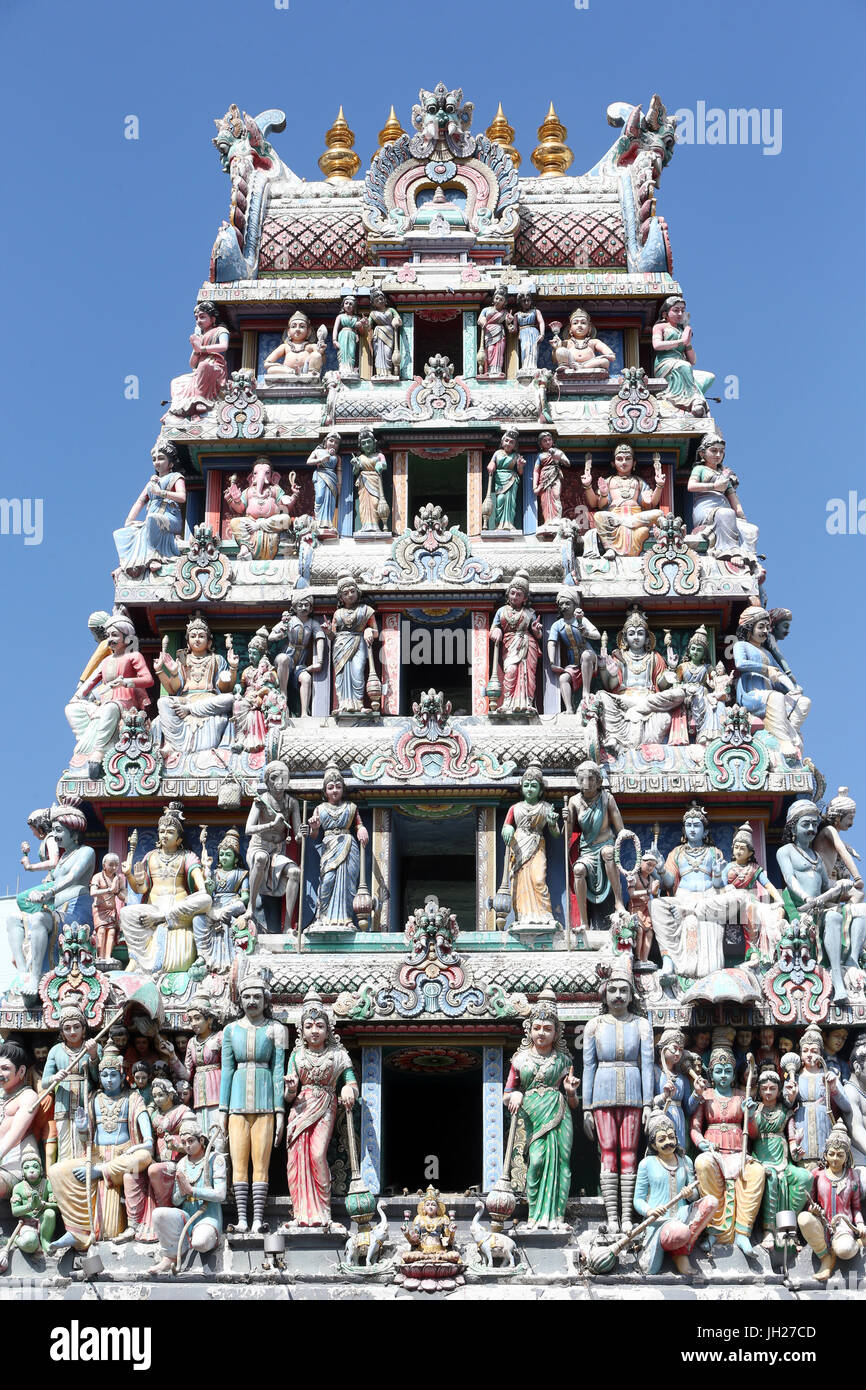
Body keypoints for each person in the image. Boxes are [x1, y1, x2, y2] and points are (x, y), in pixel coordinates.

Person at [48, 1049, 154, 1249]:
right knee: (56, 1171)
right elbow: (86, 1137)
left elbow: (147, 1140)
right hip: (95, 1156)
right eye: (104, 1075)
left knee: (143, 1156)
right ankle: (76, 1231)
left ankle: (101, 1173)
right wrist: (81, 1128)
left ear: (123, 1076)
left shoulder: (133, 1098)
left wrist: (146, 1142)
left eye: (114, 1075)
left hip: (123, 1157)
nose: (109, 1080)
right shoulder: (93, 1098)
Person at [582, 960, 654, 1232]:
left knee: (629, 1154)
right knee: (608, 1153)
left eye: (624, 990)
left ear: (632, 995)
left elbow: (647, 1064)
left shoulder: (641, 1025)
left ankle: (627, 1217)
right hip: (602, 1092)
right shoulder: (594, 1025)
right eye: (613, 990)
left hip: (635, 1094)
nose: (619, 996)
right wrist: (586, 1108)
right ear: (604, 993)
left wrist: (648, 1103)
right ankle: (612, 1216)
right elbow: (588, 1066)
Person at [503, 990, 578, 1229]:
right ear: (529, 1030)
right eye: (537, 1028)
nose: (541, 1033)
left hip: (559, 1113)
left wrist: (570, 1092)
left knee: (561, 1166)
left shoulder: (564, 1061)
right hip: (532, 1116)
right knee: (535, 1163)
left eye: (547, 1028)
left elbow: (574, 1104)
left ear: (556, 1033)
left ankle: (557, 1217)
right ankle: (534, 1216)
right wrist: (515, 1093)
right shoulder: (520, 1060)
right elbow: (506, 1095)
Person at [218, 975, 287, 1233]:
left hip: (266, 1105)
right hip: (236, 1106)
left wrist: (280, 1111)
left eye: (257, 996)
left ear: (265, 1000)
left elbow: (278, 1070)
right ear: (240, 1000)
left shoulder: (276, 1029)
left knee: (261, 1164)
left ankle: (258, 1218)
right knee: (238, 1165)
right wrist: (221, 1111)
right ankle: (241, 1219)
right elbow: (226, 1071)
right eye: (246, 996)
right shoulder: (230, 1031)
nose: (252, 1001)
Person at [284, 991, 358, 1228]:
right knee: (296, 1160)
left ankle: (323, 1211)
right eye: (308, 1026)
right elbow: (288, 1095)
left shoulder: (338, 1054)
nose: (314, 1030)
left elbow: (351, 1081)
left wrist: (348, 1089)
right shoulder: (297, 1055)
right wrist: (291, 1089)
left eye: (319, 1025)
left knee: (316, 1155)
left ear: (328, 1029)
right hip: (301, 1107)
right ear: (302, 1031)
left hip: (325, 1103)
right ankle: (300, 1213)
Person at [691, 1047, 765, 1252]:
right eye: (718, 1071)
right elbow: (695, 1126)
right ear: (711, 1074)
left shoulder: (743, 1096)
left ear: (734, 1074)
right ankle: (715, 1230)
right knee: (702, 1163)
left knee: (756, 1173)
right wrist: (700, 1143)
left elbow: (753, 1133)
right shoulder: (705, 1096)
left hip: (737, 1153)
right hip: (714, 1152)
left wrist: (749, 1116)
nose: (723, 1075)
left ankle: (742, 1232)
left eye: (727, 1071)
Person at [64, 613, 153, 778]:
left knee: (110, 709)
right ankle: (85, 745)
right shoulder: (106, 661)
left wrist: (126, 681)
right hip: (106, 700)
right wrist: (77, 697)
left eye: (115, 635)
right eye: (109, 635)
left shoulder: (133, 656)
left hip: (125, 702)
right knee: (72, 709)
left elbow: (148, 680)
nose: (110, 639)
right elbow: (91, 681)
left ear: (126, 637)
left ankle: (98, 750)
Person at [634, 1113, 718, 1275]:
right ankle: (678, 1253)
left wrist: (690, 1194)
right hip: (660, 1222)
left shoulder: (685, 1160)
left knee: (711, 1202)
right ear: (653, 1144)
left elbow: (694, 1195)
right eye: (662, 1140)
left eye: (671, 1137)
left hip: (682, 1215)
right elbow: (638, 1200)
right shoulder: (647, 1164)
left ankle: (680, 1252)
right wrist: (649, 1211)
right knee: (680, 1232)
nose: (668, 1142)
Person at [745, 1067, 812, 1251]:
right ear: (758, 1090)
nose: (768, 1092)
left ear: (778, 1089)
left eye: (772, 1088)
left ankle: (789, 1226)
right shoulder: (756, 1110)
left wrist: (796, 1150)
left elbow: (791, 1137)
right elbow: (752, 1135)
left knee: (804, 1177)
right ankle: (769, 1229)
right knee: (772, 1178)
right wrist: (749, 1117)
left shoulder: (784, 1110)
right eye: (764, 1088)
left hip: (783, 1158)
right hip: (763, 1157)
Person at [151, 1116, 228, 1275]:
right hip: (187, 1216)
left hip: (207, 1217)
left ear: (201, 1140)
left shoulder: (215, 1160)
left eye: (190, 1141)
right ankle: (171, 1256)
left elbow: (220, 1194)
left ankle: (205, 1238)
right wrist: (182, 1191)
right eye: (184, 1142)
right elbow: (175, 1199)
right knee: (158, 1214)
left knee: (200, 1242)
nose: (187, 1146)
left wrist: (193, 1191)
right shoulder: (182, 1163)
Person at [153, 615, 239, 757]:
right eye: (193, 636)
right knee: (162, 701)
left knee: (229, 699)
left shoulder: (217, 659)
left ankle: (190, 710)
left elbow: (224, 689)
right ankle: (170, 745)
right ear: (188, 642)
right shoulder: (182, 659)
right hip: (185, 698)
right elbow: (173, 689)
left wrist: (232, 668)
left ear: (209, 642)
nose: (197, 639)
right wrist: (167, 671)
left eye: (201, 636)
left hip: (208, 699)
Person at [734, 606, 810, 759]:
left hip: (769, 692)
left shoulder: (767, 653)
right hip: (751, 694)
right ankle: (783, 741)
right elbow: (740, 664)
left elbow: (778, 675)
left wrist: (792, 688)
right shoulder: (741, 646)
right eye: (760, 627)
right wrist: (765, 669)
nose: (765, 631)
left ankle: (789, 731)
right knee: (776, 697)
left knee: (803, 702)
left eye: (767, 627)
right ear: (749, 628)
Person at [798, 1121, 866, 1282]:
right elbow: (810, 1202)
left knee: (845, 1249)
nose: (835, 1159)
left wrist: (861, 1224)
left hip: (844, 1225)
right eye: (832, 1154)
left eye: (840, 1155)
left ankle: (857, 1243)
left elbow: (856, 1208)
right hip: (822, 1223)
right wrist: (811, 1209)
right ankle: (825, 1257)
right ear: (826, 1154)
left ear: (846, 1156)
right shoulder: (817, 1174)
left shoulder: (852, 1176)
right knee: (803, 1219)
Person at [303, 765, 368, 931]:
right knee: (327, 881)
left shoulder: (351, 807)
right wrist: (315, 828)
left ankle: (346, 919)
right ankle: (321, 917)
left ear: (343, 789)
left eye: (338, 787)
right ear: (325, 791)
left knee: (348, 884)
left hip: (348, 844)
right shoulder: (320, 809)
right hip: (329, 846)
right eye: (330, 787)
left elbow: (358, 824)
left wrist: (361, 829)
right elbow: (314, 837)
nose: (334, 791)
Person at [564, 761, 626, 929]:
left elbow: (620, 829)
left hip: (605, 844)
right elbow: (566, 834)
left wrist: (626, 836)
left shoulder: (607, 798)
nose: (587, 783)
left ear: (599, 781)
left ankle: (619, 902)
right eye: (582, 779)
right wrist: (563, 820)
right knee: (578, 870)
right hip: (587, 850)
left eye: (591, 779)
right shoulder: (574, 801)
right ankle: (584, 922)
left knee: (608, 853)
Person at [113, 440, 187, 575]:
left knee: (152, 519)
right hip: (152, 520)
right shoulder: (151, 483)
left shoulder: (176, 477)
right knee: (121, 533)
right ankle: (127, 563)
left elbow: (182, 497)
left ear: (170, 463)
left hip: (170, 519)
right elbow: (140, 501)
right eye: (154, 459)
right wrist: (129, 520)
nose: (157, 462)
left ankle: (154, 556)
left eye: (161, 458)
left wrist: (161, 493)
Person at [244, 761, 301, 933]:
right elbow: (248, 829)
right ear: (269, 781)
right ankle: (251, 907)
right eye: (275, 778)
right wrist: (270, 825)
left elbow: (297, 836)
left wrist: (303, 832)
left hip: (277, 850)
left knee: (295, 872)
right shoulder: (261, 801)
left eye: (283, 778)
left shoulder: (291, 803)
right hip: (258, 847)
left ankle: (289, 925)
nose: (279, 782)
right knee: (261, 858)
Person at [501, 766, 560, 930]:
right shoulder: (515, 807)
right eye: (526, 785)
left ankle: (545, 915)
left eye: (534, 785)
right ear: (522, 787)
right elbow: (506, 825)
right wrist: (507, 829)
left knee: (539, 879)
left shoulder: (546, 807)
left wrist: (553, 823)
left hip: (536, 844)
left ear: (541, 790)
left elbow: (556, 833)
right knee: (519, 883)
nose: (529, 789)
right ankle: (522, 917)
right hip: (519, 845)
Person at [582, 445, 664, 558]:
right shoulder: (609, 481)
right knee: (599, 516)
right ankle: (610, 548)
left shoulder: (638, 482)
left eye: (628, 458)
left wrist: (659, 485)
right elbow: (598, 505)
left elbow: (650, 504)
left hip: (635, 515)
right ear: (613, 463)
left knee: (659, 514)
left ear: (634, 463)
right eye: (619, 459)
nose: (624, 462)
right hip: (616, 516)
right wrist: (591, 487)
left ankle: (626, 522)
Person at [687, 434, 758, 560]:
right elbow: (691, 486)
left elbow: (732, 496)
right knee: (726, 514)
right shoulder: (700, 469)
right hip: (707, 508)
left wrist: (741, 516)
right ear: (702, 454)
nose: (718, 455)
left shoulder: (724, 474)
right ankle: (729, 552)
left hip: (724, 508)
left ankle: (749, 558)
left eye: (721, 451)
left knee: (751, 530)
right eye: (714, 450)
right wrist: (714, 486)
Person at [489, 570, 541, 714]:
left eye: (519, 594)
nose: (515, 597)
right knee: (510, 671)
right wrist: (497, 631)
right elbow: (493, 628)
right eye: (512, 593)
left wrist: (536, 630)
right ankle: (507, 702)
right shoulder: (501, 611)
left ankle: (527, 702)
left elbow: (538, 633)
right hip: (509, 645)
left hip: (527, 644)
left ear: (525, 598)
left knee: (528, 675)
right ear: (508, 594)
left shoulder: (530, 612)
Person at [166, 300, 229, 417]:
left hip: (214, 367)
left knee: (203, 366)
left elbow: (224, 346)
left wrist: (202, 348)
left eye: (202, 317)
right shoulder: (200, 336)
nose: (199, 321)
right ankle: (178, 406)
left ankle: (200, 399)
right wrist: (196, 349)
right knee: (177, 382)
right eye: (196, 318)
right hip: (200, 370)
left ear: (213, 318)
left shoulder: (221, 331)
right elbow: (192, 364)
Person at [651, 295, 713, 415]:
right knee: (684, 366)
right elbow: (657, 345)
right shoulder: (661, 327)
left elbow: (693, 361)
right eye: (676, 310)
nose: (680, 314)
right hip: (665, 362)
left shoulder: (682, 330)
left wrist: (687, 342)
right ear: (665, 314)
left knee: (708, 377)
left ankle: (692, 397)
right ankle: (694, 401)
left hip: (681, 362)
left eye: (682, 311)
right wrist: (680, 342)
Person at [547, 588, 600, 712]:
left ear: (575, 605)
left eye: (567, 603)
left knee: (586, 655)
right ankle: (569, 709)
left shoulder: (581, 620)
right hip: (574, 663)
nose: (564, 606)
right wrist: (551, 662)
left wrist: (586, 633)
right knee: (563, 678)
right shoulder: (557, 625)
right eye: (561, 604)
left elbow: (597, 635)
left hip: (588, 656)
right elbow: (551, 643)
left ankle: (585, 693)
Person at [485, 431, 525, 532]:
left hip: (511, 479)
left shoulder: (516, 456)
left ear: (514, 445)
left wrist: (520, 465)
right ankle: (499, 524)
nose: (508, 443)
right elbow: (491, 463)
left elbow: (520, 472)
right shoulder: (497, 453)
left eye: (511, 442)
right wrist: (491, 465)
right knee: (500, 500)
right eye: (506, 441)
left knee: (511, 502)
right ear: (502, 442)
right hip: (499, 479)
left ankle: (509, 523)